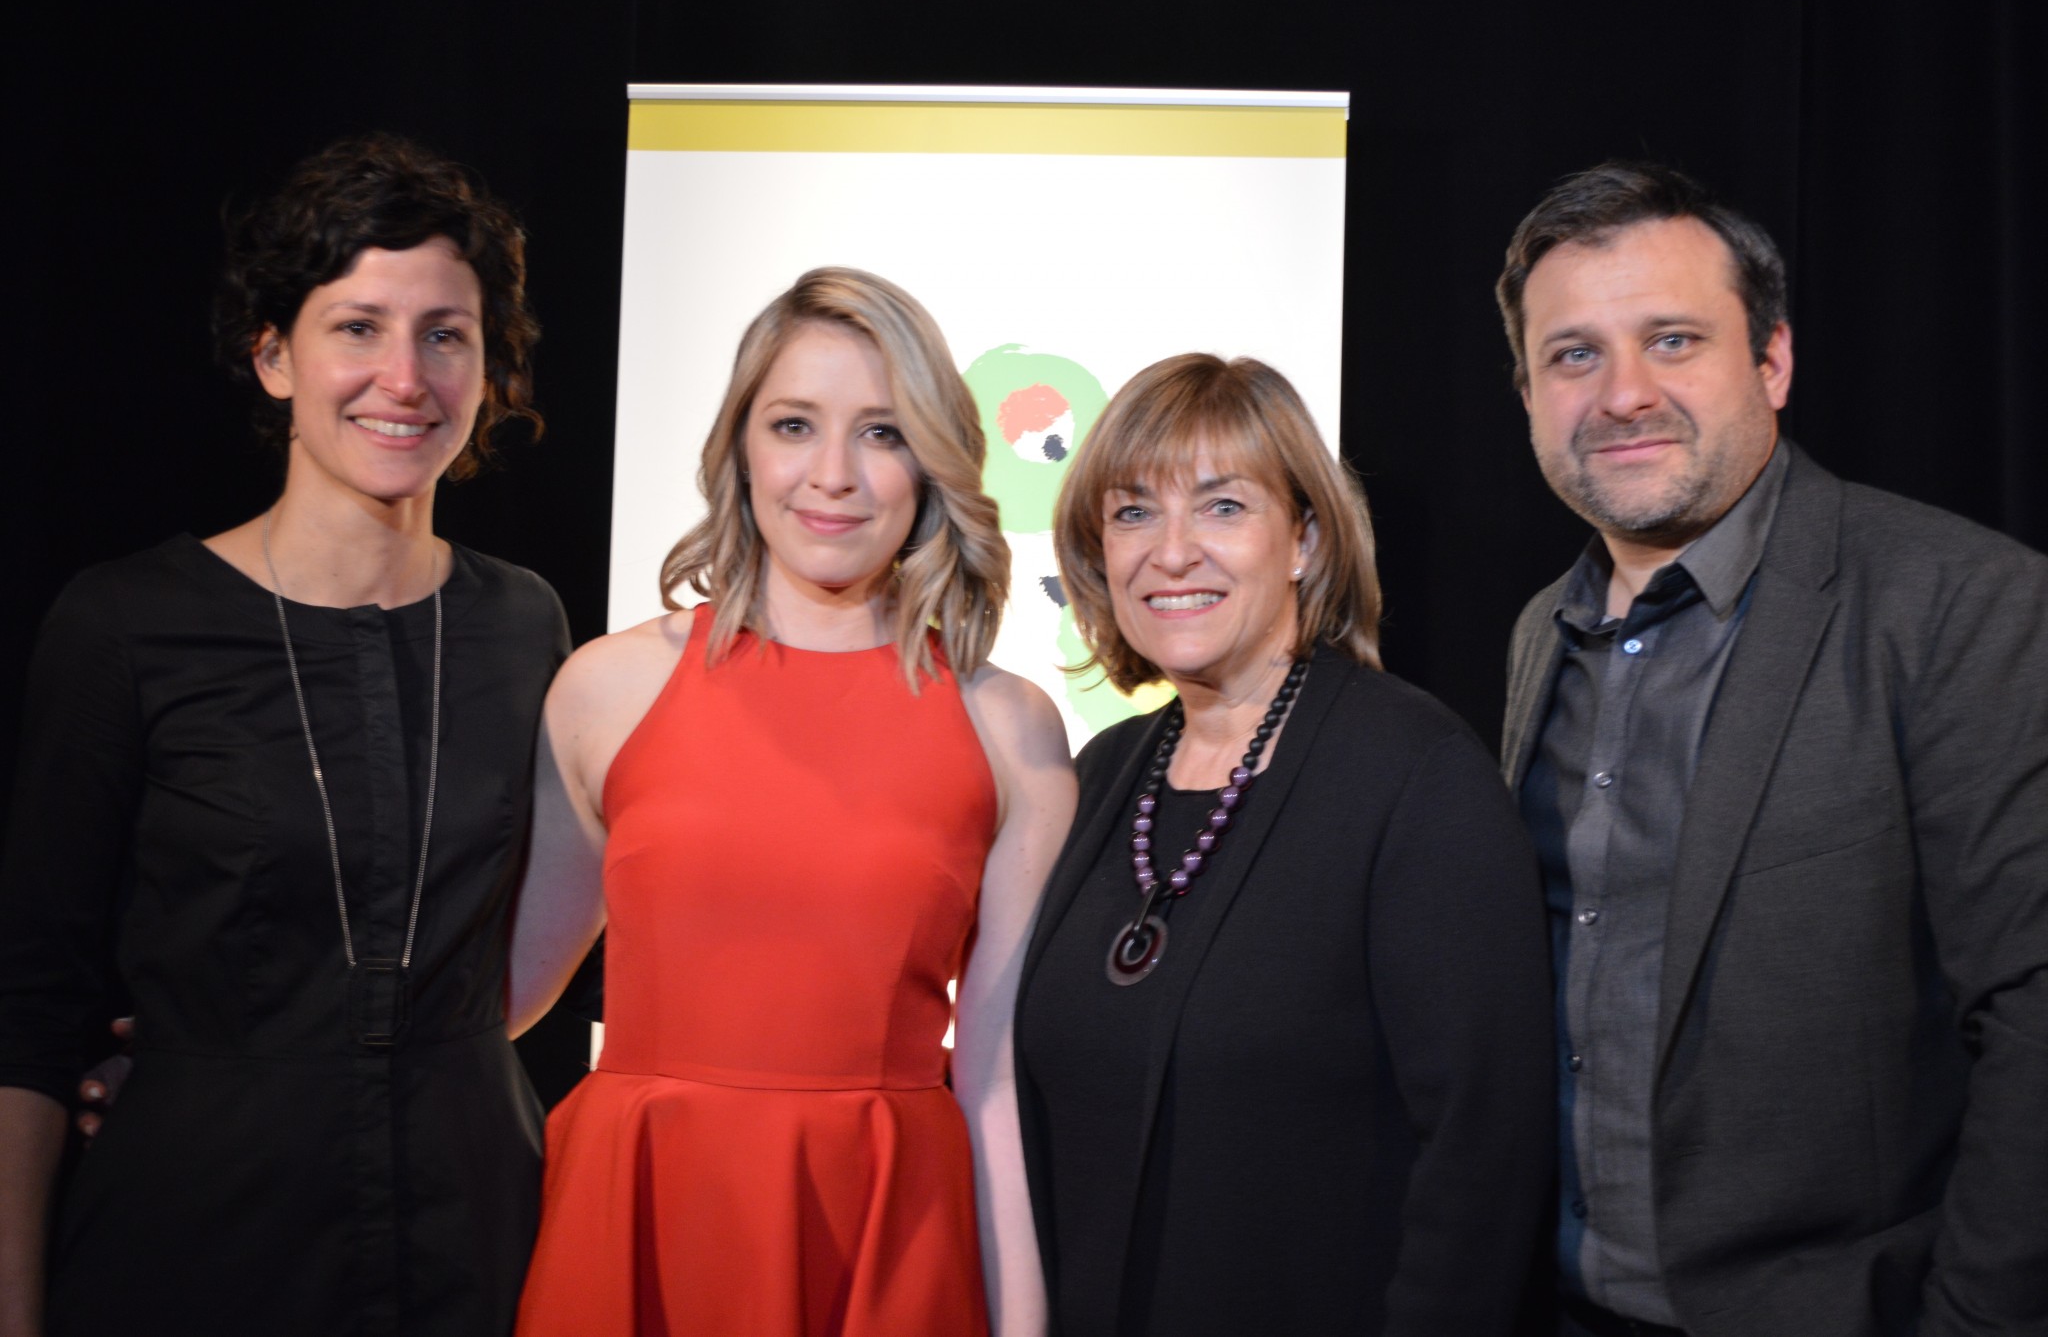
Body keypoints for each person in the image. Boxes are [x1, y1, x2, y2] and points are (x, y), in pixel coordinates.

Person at [0, 136, 568, 1336]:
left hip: (473, 1233)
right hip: (200, 1237)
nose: (403, 378)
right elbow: (28, 1015)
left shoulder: (527, 624)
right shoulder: (126, 624)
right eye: (357, 328)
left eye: (445, 335)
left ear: (487, 369)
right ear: (272, 357)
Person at [1497, 162, 2048, 1337]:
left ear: (1772, 362)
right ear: (1527, 392)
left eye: (1672, 340)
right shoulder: (1539, 632)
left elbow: (2031, 1014)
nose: (1622, 393)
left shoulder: (1957, 604)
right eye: (1573, 354)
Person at [506, 267, 1075, 1337]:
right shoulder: (605, 689)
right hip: (639, 1216)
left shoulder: (1010, 728)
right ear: (740, 447)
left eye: (881, 433)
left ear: (931, 461)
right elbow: (493, 1000)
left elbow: (995, 1080)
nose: (833, 475)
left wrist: (1021, 1323)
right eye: (794, 425)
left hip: (886, 1230)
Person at [1013, 353, 1554, 1336]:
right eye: (1133, 512)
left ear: (1304, 539)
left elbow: (1485, 1154)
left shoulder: (1415, 775)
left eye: (1221, 507)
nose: (1171, 552)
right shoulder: (1098, 776)